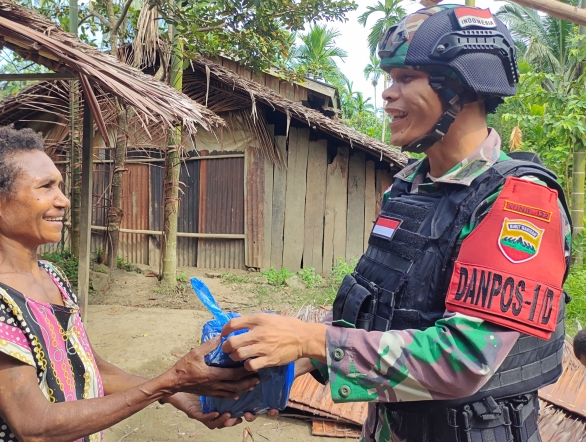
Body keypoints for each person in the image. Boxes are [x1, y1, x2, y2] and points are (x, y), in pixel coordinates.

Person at [222, 5, 572, 442]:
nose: (388, 94)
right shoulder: (408, 186)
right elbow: (385, 314)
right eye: (390, 79)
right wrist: (285, 362)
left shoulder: (518, 203)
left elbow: (462, 360)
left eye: (407, 78)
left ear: (464, 88)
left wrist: (312, 341)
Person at [0, 126, 260, 442]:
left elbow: (89, 368)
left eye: (61, 187)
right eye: (46, 187)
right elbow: (36, 426)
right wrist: (170, 382)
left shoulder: (51, 275)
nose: (63, 200)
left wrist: (179, 395)